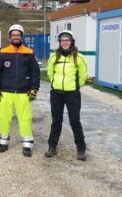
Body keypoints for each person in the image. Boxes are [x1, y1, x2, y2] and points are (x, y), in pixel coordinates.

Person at [0, 24, 40, 157]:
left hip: (23, 92)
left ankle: (27, 145)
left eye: (18, 35)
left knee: (25, 119)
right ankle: (3, 143)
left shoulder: (29, 52)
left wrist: (34, 89)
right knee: (4, 118)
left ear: (21, 36)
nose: (16, 37)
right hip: (6, 92)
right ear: (9, 37)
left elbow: (35, 73)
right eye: (13, 35)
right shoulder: (3, 52)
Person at [45, 30, 88, 161]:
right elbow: (50, 73)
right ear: (59, 42)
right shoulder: (53, 57)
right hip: (56, 93)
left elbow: (83, 75)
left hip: (72, 94)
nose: (65, 42)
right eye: (63, 40)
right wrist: (54, 84)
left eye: (67, 40)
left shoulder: (79, 58)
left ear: (72, 42)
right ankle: (52, 147)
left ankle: (81, 149)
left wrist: (75, 87)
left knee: (75, 121)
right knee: (56, 121)